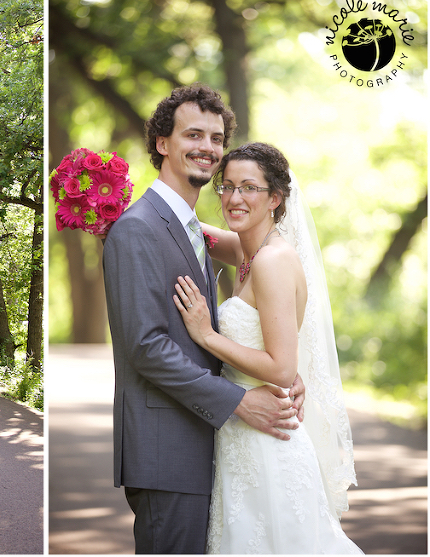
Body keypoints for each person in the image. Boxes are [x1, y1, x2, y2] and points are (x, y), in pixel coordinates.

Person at [102, 84, 305, 554]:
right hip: (166, 452)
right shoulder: (138, 228)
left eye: (217, 138)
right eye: (194, 134)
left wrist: (289, 370)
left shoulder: (191, 229)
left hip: (208, 445)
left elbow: (272, 282)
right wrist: (237, 400)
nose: (208, 148)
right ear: (162, 143)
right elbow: (146, 346)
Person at [173, 142, 361, 553]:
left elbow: (280, 368)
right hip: (241, 432)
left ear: (275, 198)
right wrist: (111, 211)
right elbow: (189, 231)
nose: (234, 198)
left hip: (268, 441)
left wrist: (208, 335)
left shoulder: (271, 261)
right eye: (226, 186)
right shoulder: (246, 248)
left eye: (249, 188)